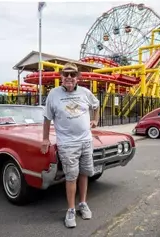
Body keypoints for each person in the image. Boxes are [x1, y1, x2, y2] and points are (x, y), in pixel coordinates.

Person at [41, 62, 100, 228]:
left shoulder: (85, 93)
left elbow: (96, 105)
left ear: (77, 77)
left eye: (72, 74)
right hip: (67, 144)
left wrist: (95, 120)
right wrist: (45, 139)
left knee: (84, 173)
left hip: (86, 141)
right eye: (65, 74)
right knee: (71, 176)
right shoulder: (54, 94)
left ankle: (83, 203)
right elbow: (46, 118)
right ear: (61, 76)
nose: (69, 77)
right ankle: (71, 210)